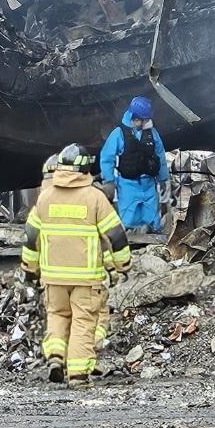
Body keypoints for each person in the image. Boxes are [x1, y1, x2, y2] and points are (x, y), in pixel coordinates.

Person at [21, 144, 131, 389]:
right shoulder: (94, 197)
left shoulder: (45, 197)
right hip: (85, 278)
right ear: (85, 167)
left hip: (52, 276)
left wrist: (30, 268)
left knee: (57, 315)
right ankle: (79, 375)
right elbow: (115, 236)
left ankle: (56, 356)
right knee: (83, 321)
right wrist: (122, 265)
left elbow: (31, 236)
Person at [100, 96, 169, 233]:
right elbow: (107, 157)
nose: (148, 122)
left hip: (148, 183)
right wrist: (110, 180)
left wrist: (162, 178)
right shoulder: (119, 133)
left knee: (152, 218)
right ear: (136, 119)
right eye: (145, 120)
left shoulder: (152, 133)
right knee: (129, 219)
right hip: (128, 185)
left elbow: (160, 154)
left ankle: (154, 239)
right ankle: (130, 241)